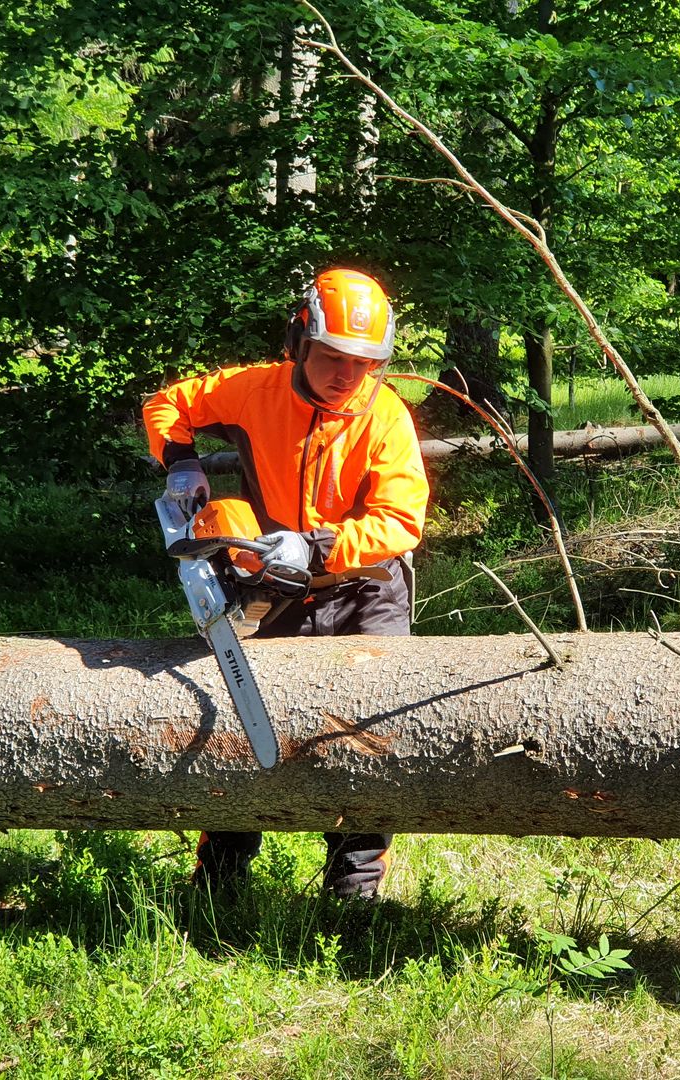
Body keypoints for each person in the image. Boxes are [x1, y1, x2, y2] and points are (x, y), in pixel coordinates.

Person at [142, 267, 429, 900]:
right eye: (331, 357)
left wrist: (320, 545)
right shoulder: (254, 390)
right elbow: (168, 405)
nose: (345, 374)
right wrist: (182, 462)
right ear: (300, 341)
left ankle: (354, 885)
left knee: (366, 732)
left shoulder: (385, 417)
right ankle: (220, 876)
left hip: (365, 587)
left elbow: (401, 522)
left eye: (361, 362)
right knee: (242, 721)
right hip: (272, 580)